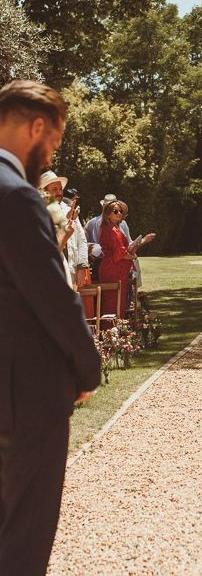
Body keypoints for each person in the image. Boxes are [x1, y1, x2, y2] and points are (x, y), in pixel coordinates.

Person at [0, 80, 101, 575]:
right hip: (22, 393)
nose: (51, 154)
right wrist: (87, 368)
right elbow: (52, 296)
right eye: (55, 141)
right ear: (37, 127)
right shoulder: (15, 196)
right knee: (22, 532)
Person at [40, 171, 90, 289]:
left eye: (60, 189)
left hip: (71, 270)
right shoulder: (39, 212)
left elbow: (81, 239)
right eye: (55, 189)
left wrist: (82, 266)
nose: (59, 193)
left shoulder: (69, 209)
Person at [99, 200, 138, 318]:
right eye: (115, 211)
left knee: (118, 302)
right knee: (113, 303)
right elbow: (120, 253)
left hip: (117, 269)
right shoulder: (111, 230)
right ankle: (111, 331)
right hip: (113, 270)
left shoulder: (114, 227)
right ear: (107, 214)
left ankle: (115, 330)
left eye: (121, 211)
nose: (119, 213)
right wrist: (133, 256)